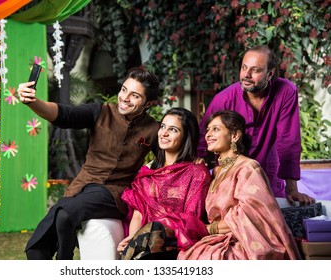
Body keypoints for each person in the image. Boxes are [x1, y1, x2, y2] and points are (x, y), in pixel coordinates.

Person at [17, 67, 160, 260]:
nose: (125, 98)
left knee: (65, 215)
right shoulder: (99, 112)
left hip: (114, 195)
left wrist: (196, 162)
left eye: (135, 95)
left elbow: (170, 160)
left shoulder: (154, 129)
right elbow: (65, 114)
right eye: (124, 90)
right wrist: (33, 103)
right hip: (81, 188)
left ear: (149, 103)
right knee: (36, 247)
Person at [197, 45, 314, 205]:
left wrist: (292, 189)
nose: (246, 75)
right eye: (244, 68)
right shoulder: (223, 99)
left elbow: (288, 140)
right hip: (230, 182)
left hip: (269, 179)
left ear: (270, 73)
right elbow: (202, 142)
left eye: (255, 70)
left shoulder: (286, 91)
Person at [178, 110, 302, 260]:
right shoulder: (215, 171)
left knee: (210, 257)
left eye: (216, 129)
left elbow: (250, 213)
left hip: (246, 242)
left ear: (235, 135)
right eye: (208, 130)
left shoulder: (248, 167)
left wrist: (210, 229)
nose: (208, 135)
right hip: (219, 239)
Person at [117, 107, 211, 260]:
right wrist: (133, 240)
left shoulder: (197, 172)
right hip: (144, 246)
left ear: (186, 136)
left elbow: (190, 219)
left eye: (173, 129)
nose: (164, 133)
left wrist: (150, 236)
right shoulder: (148, 172)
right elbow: (138, 214)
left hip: (176, 244)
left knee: (155, 230)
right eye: (162, 127)